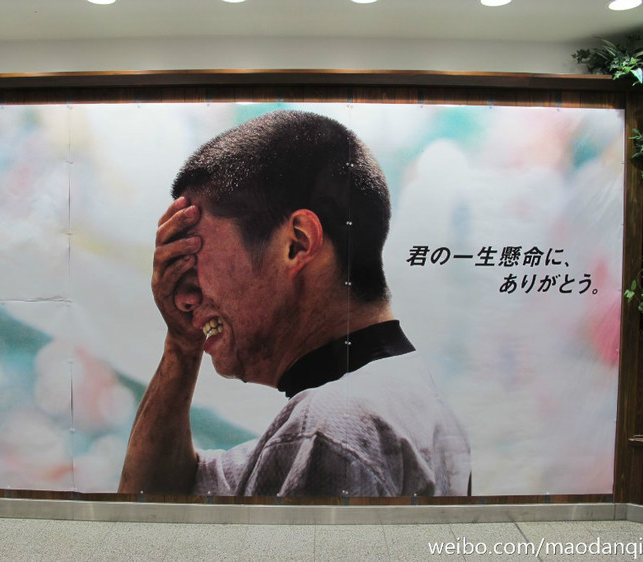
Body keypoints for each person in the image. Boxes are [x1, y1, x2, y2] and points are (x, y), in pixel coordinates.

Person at [119, 110, 470, 497]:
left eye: (195, 256)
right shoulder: (409, 400)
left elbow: (145, 518)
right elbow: (167, 493)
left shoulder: (333, 428)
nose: (185, 297)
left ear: (297, 244)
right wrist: (181, 343)